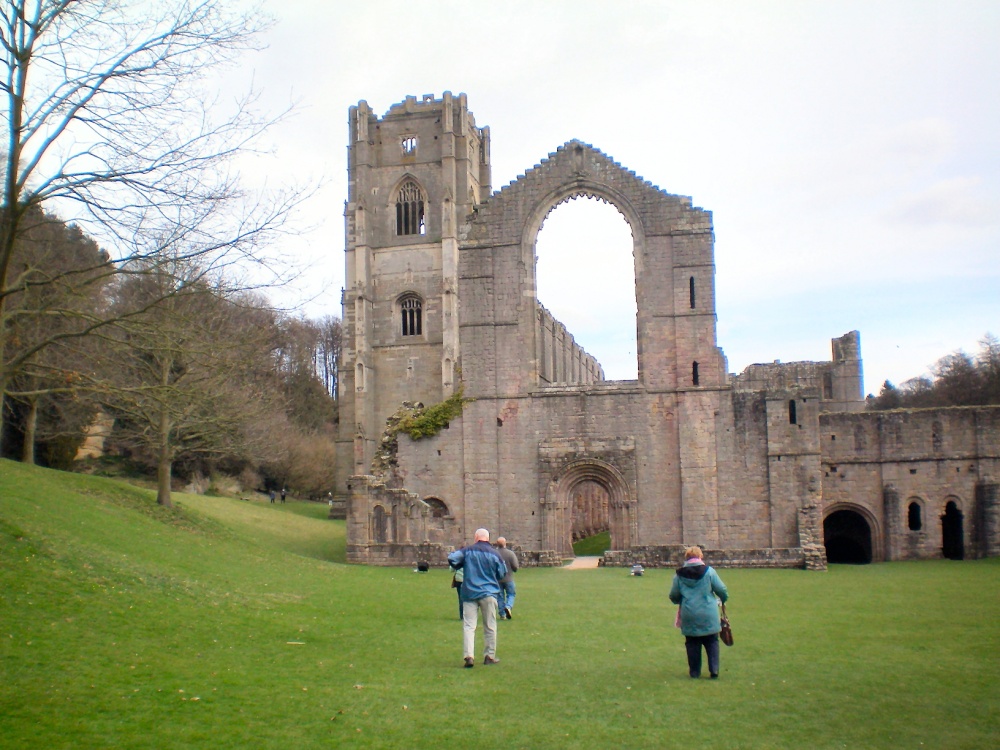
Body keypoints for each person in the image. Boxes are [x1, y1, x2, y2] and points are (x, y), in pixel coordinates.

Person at [447, 528, 507, 668]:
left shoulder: (467, 551)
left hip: (470, 592)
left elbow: (452, 558)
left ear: (476, 537)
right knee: (490, 625)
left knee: (469, 626)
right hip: (489, 592)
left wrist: (461, 564)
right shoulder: (495, 554)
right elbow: (502, 572)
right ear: (488, 538)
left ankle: (469, 656)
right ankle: (489, 656)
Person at [668, 545, 729, 679]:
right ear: (700, 556)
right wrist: (723, 599)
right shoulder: (709, 572)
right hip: (708, 612)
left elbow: (673, 595)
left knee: (692, 642)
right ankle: (714, 669)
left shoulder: (679, 575)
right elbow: (721, 590)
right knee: (712, 640)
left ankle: (695, 672)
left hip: (689, 612)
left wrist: (681, 600)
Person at [494, 537, 518, 619]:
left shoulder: (494, 553)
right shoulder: (510, 553)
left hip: (497, 579)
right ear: (505, 543)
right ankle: (508, 606)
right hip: (508, 578)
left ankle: (502, 614)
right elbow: (515, 567)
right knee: (511, 594)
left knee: (500, 596)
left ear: (497, 544)